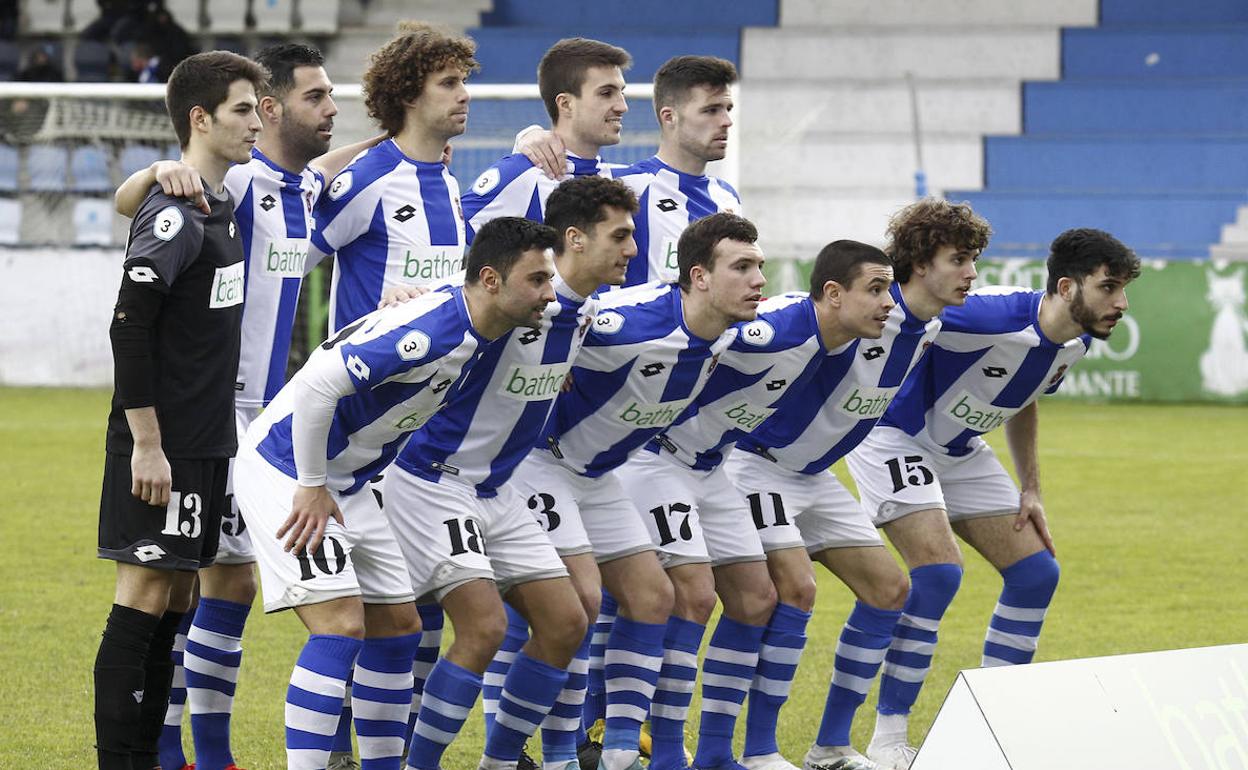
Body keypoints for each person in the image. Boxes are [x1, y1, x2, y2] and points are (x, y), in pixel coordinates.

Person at [113, 41, 387, 770]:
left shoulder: (301, 190)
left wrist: (395, 137)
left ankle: (202, 752)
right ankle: (189, 753)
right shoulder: (234, 184)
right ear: (266, 111)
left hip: (263, 413)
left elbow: (332, 168)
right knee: (208, 581)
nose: (330, 111)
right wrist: (152, 169)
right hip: (214, 412)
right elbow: (138, 208)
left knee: (221, 581)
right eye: (316, 98)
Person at [232, 216, 558, 770]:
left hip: (351, 480)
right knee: (340, 626)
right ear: (491, 279)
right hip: (287, 467)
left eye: (550, 280)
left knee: (399, 627)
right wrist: (310, 485)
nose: (550, 296)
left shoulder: (473, 321)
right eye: (537, 281)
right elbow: (316, 384)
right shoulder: (434, 331)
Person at [843, 225, 1140, 769]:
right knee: (937, 574)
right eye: (1110, 288)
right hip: (893, 434)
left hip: (958, 450)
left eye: (1124, 290)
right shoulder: (982, 315)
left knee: (1036, 574)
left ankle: (996, 725)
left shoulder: (1077, 341)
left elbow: (1024, 396)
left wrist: (1031, 487)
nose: (1121, 303)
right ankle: (888, 740)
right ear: (1068, 288)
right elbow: (898, 316)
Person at [706, 200, 986, 770]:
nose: (972, 273)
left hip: (813, 476)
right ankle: (756, 750)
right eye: (958, 260)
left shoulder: (925, 327)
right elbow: (734, 337)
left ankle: (830, 746)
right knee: (794, 591)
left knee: (888, 590)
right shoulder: (825, 318)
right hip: (757, 465)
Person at [382, 176, 639, 770]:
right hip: (433, 481)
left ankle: (499, 762)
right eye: (621, 235)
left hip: (498, 491)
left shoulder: (583, 313)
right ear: (576, 242)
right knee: (482, 629)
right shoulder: (513, 295)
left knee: (569, 619)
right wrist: (404, 296)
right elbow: (458, 298)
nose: (633, 247)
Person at [506, 212, 765, 770]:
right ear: (699, 277)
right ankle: (539, 756)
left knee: (655, 598)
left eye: (760, 267)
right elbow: (529, 313)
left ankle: (624, 750)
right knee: (576, 604)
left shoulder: (735, 336)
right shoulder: (627, 321)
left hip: (600, 476)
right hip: (538, 464)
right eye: (742, 267)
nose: (758, 281)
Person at [91, 50, 265, 770]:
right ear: (201, 118)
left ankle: (152, 757)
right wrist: (147, 445)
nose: (260, 119)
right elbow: (128, 326)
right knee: (142, 596)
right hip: (162, 444)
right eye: (244, 109)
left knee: (174, 604)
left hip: (204, 440)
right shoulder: (174, 214)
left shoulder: (216, 202)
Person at [311, 21, 478, 335]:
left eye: (463, 82)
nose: (464, 95)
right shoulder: (368, 179)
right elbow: (289, 270)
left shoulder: (448, 180)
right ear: (409, 95)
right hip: (368, 379)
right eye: (448, 83)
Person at [460, 37, 631, 241]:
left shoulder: (628, 181)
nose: (622, 106)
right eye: (606, 93)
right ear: (566, 104)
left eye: (621, 92)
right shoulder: (521, 174)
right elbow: (452, 234)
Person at [610, 55, 741, 287]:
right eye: (711, 110)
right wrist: (532, 136)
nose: (726, 121)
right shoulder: (626, 187)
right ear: (669, 117)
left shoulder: (726, 197)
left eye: (727, 109)